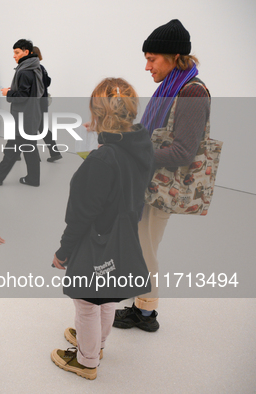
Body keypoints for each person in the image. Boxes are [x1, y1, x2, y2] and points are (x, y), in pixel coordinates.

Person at [50, 78, 154, 380]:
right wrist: (104, 136)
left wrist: (63, 252)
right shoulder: (141, 143)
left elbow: (81, 215)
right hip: (124, 234)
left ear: (99, 114)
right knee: (106, 293)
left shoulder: (102, 159)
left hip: (97, 238)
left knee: (85, 299)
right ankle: (98, 343)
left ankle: (87, 360)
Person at [113, 19, 210, 332]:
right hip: (149, 182)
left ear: (174, 58)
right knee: (142, 247)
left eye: (152, 59)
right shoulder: (170, 88)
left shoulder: (192, 94)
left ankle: (145, 313)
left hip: (161, 188)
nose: (146, 66)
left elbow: (183, 152)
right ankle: (142, 305)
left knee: (146, 251)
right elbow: (155, 133)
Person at [0, 39, 44, 187]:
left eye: (17, 52)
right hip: (31, 115)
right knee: (29, 148)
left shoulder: (24, 71)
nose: (14, 56)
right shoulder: (35, 67)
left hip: (23, 118)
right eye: (14, 52)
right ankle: (33, 178)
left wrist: (8, 92)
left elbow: (22, 97)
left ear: (27, 52)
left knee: (13, 147)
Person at [33, 46, 62, 162]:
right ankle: (55, 153)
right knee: (43, 129)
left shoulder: (33, 69)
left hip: (36, 104)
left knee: (30, 130)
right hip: (43, 103)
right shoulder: (42, 68)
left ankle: (33, 156)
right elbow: (48, 81)